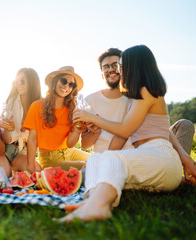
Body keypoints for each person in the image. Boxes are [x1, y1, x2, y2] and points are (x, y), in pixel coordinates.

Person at [59, 45, 196, 222]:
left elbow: (125, 130)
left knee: (113, 158)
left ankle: (98, 206)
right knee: (95, 159)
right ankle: (93, 202)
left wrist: (92, 118)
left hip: (160, 154)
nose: (118, 70)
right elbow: (124, 134)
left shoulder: (145, 91)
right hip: (148, 156)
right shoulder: (134, 98)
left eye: (121, 66)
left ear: (134, 67)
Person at [82, 48, 196, 185]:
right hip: (122, 155)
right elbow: (87, 144)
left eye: (116, 65)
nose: (112, 69)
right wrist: (101, 149)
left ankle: (175, 169)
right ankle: (174, 176)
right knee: (91, 171)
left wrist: (184, 158)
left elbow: (159, 129)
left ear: (126, 68)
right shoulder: (91, 100)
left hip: (147, 153)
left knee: (184, 125)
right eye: (106, 66)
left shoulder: (135, 96)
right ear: (101, 73)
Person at [23, 66, 90, 173]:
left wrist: (78, 131)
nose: (66, 86)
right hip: (49, 158)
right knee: (90, 167)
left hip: (70, 152)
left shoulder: (72, 109)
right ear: (55, 81)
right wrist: (30, 165)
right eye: (64, 81)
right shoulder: (37, 106)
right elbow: (32, 139)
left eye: (71, 84)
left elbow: (70, 144)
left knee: (97, 160)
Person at [0, 68, 42, 171]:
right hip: (6, 149)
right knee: (4, 176)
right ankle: (11, 170)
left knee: (37, 170)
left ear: (32, 83)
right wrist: (9, 129)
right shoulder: (11, 103)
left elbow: (37, 140)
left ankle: (14, 169)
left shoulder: (40, 107)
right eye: (16, 81)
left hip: (23, 151)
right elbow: (6, 139)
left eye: (22, 81)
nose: (18, 84)